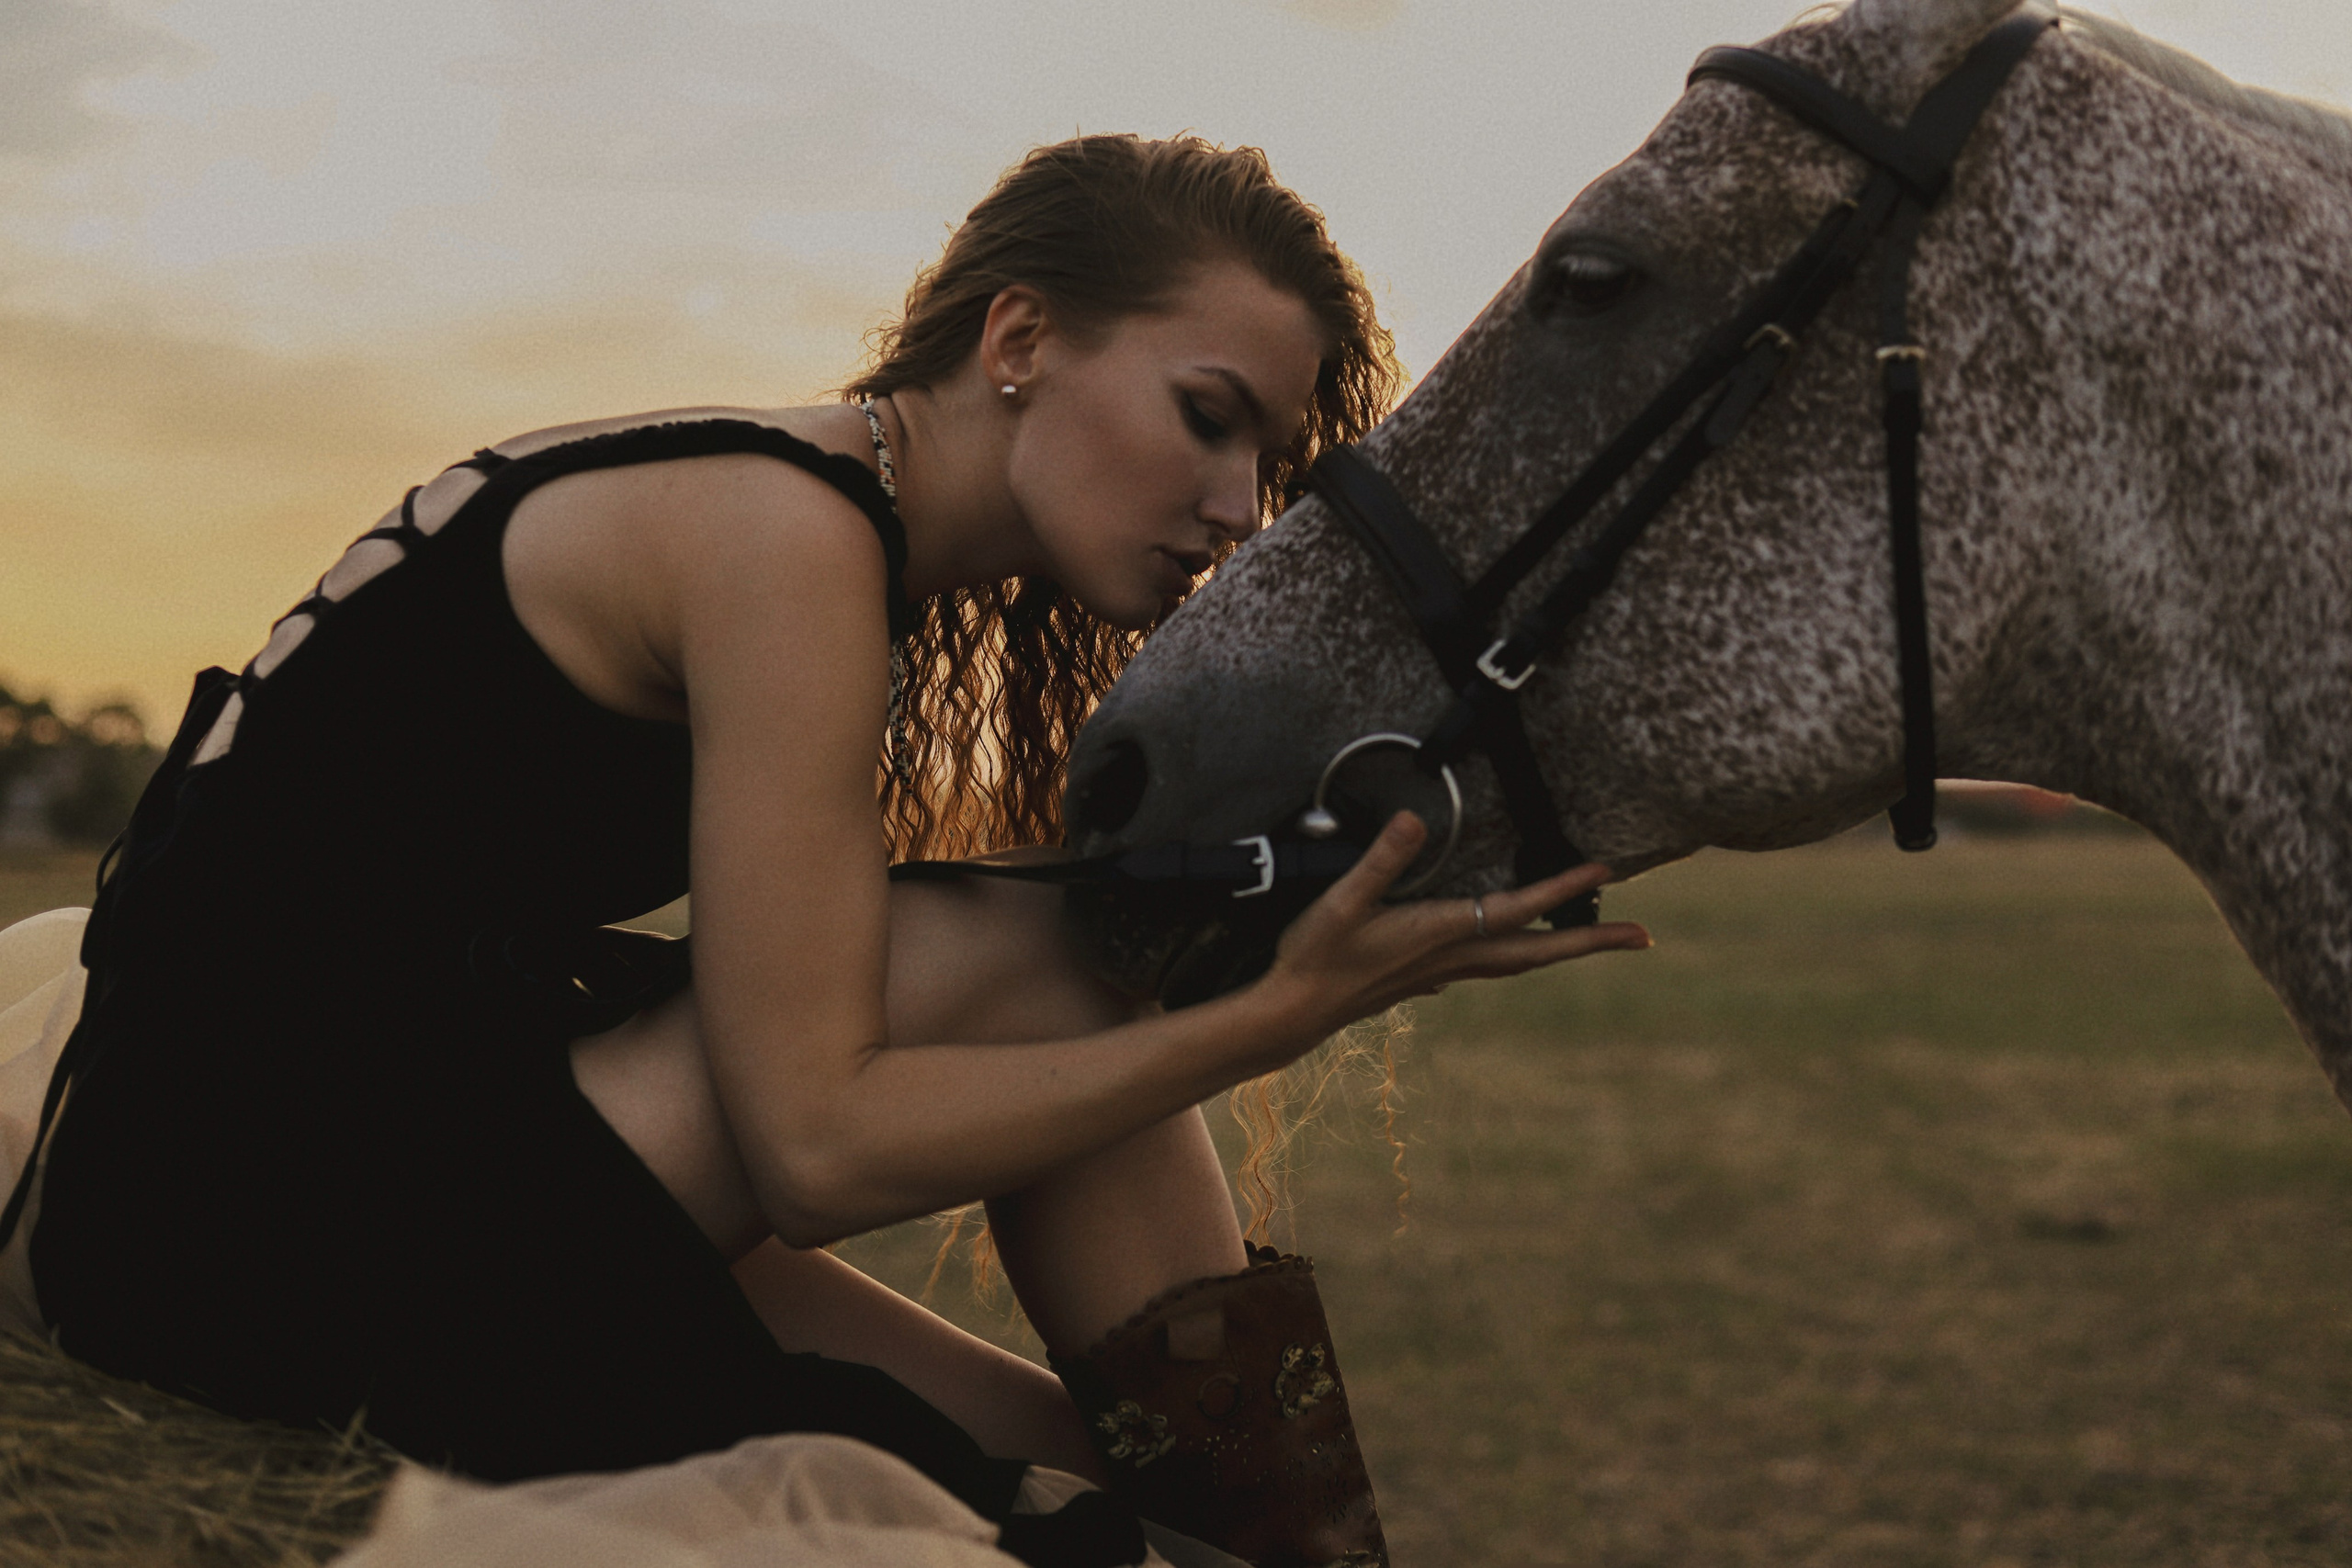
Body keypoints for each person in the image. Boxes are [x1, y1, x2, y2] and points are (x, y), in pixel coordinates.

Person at [2, 135, 1649, 1567]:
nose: (1236, 507)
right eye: (1209, 419)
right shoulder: (782, 536)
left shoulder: (796, 508)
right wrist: (1282, 1015)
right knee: (1058, 956)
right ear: (1020, 336)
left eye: (1267, 463)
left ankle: (1316, 1557)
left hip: (363, 1123)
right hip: (262, 1214)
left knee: (1150, 1470)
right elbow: (815, 1145)